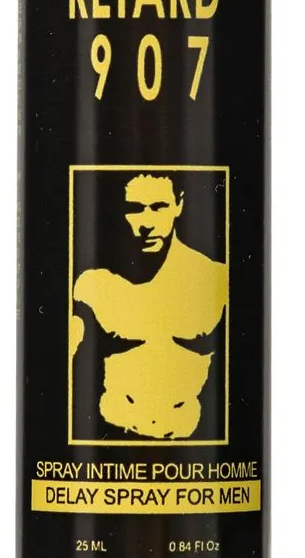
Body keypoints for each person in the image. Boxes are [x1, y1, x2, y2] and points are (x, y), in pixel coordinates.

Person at [72, 174, 227, 440]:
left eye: (159, 207)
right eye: (135, 209)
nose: (147, 223)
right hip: (107, 435)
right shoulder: (90, 286)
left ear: (178, 204)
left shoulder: (213, 278)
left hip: (194, 440)